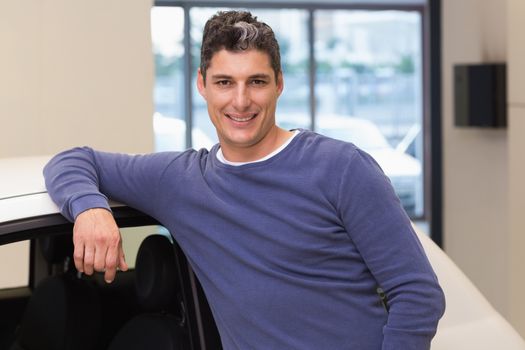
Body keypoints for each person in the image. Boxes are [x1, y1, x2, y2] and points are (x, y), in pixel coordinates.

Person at [44, 10, 445, 350]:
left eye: (256, 81)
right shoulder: (181, 182)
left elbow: (418, 295)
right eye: (224, 83)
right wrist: (90, 209)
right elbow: (72, 161)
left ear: (279, 84)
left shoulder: (342, 168)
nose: (240, 101)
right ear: (202, 84)